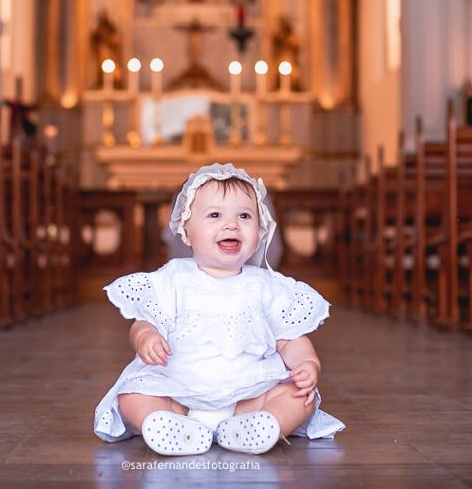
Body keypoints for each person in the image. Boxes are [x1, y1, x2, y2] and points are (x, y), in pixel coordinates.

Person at [93, 163, 344, 455]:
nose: (231, 224)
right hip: (179, 396)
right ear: (186, 229)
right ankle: (167, 425)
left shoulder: (268, 286)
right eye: (215, 215)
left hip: (249, 396)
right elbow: (144, 321)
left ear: (260, 231)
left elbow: (291, 340)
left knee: (300, 397)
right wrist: (145, 337)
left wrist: (308, 364)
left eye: (245, 216)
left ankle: (262, 425)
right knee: (131, 394)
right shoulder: (172, 277)